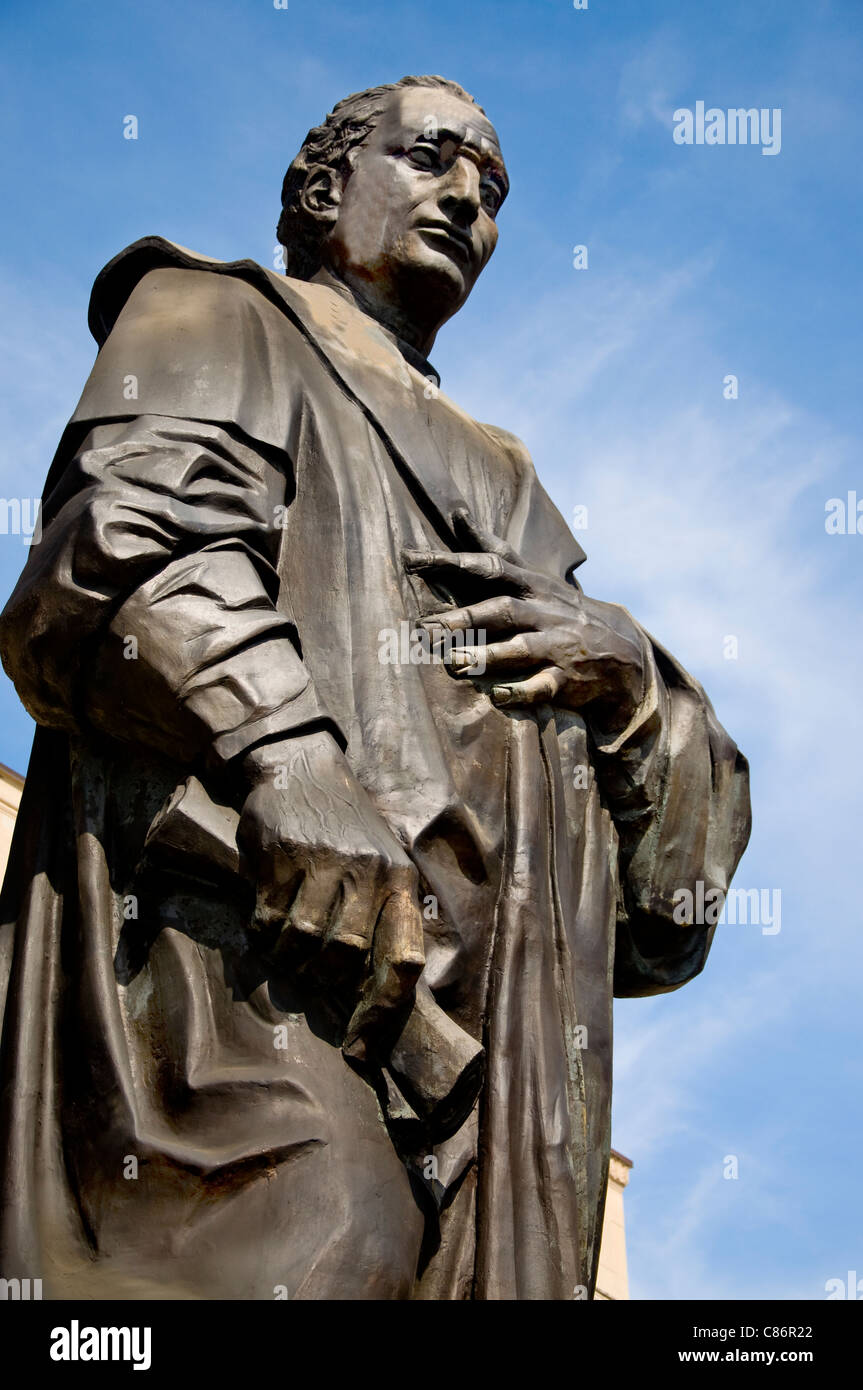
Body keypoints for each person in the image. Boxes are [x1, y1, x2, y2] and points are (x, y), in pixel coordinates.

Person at [0, 75, 750, 1300]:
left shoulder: (512, 487)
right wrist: (288, 758)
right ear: (321, 185)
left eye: (492, 188)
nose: (465, 196)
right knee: (321, 1246)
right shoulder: (208, 312)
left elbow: (662, 928)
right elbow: (118, 560)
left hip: (485, 1068)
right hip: (246, 953)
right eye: (431, 157)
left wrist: (635, 695)